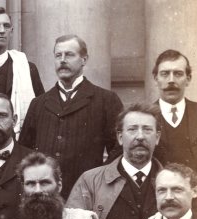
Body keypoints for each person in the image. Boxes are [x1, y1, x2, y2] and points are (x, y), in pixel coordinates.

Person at [20, 35, 123, 198]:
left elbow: (119, 149)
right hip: (45, 196)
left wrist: (99, 181)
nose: (62, 60)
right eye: (58, 55)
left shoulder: (106, 100)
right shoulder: (39, 104)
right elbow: (24, 151)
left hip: (87, 194)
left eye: (69, 55)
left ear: (84, 59)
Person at [150, 50, 197, 217]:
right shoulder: (144, 118)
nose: (171, 80)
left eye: (178, 73)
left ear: (188, 79)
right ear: (155, 78)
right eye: (165, 74)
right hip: (157, 206)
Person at [0, 7, 44, 136]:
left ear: (11, 31)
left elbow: (39, 109)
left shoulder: (27, 68)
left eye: (6, 26)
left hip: (17, 141)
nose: (2, 31)